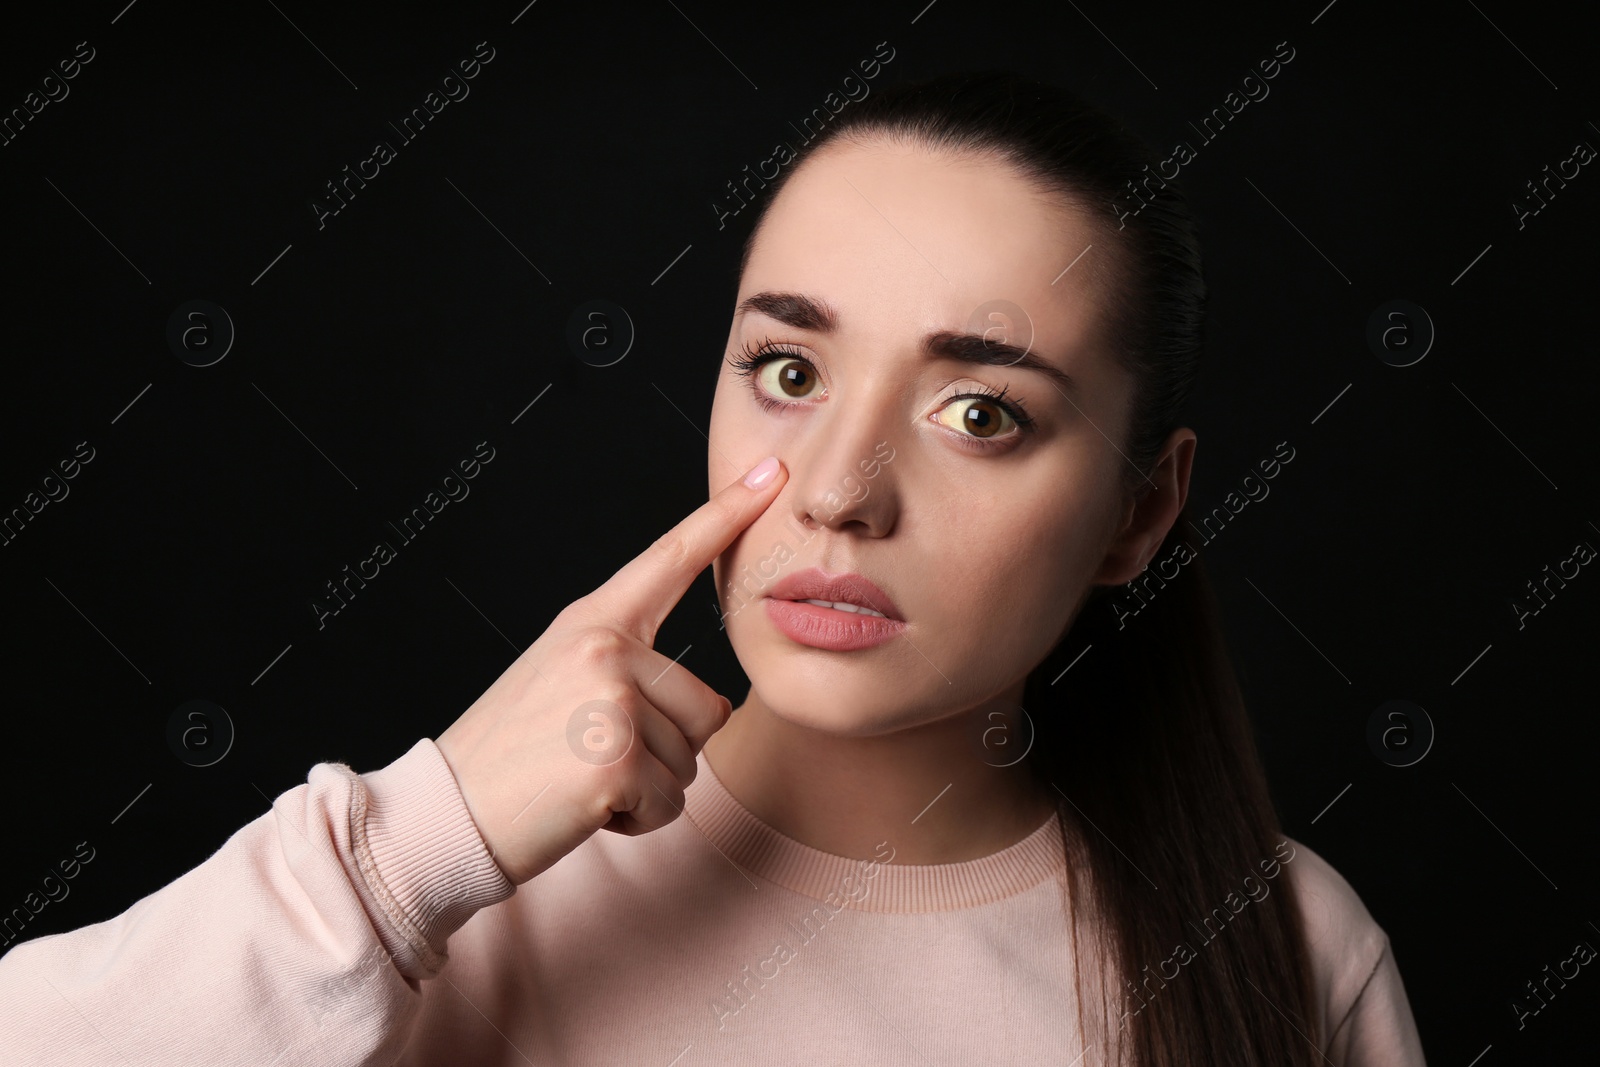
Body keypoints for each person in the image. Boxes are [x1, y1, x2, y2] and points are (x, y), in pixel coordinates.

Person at [0, 69, 1426, 1065]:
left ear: (1138, 508)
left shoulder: (1286, 950)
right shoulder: (457, 905)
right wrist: (404, 856)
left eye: (981, 413)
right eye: (790, 368)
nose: (841, 494)